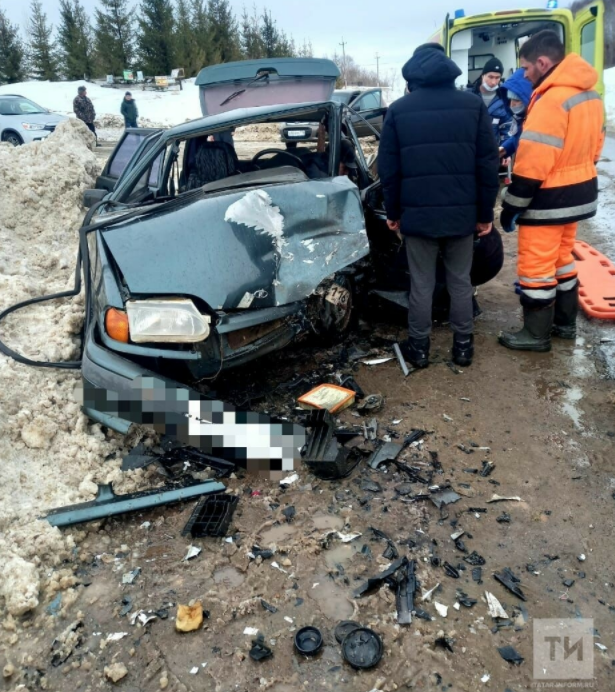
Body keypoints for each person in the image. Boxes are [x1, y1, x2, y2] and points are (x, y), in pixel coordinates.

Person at [379, 43, 500, 368]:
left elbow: (388, 168)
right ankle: (463, 350)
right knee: (460, 281)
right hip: (462, 217)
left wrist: (393, 213)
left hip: (417, 218)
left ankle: (418, 351)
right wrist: (485, 213)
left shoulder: (399, 110)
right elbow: (488, 164)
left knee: (421, 283)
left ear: (412, 75)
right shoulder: (473, 106)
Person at [499, 30, 604, 351]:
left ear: (543, 63)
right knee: (562, 260)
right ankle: (564, 325)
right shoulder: (590, 95)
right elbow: (596, 147)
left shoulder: (550, 100)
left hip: (548, 200)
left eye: (527, 68)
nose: (525, 75)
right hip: (579, 194)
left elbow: (532, 164)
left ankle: (535, 335)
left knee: (536, 268)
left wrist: (512, 205)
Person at [472, 57, 512, 147]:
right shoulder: (469, 96)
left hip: (492, 152)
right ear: (483, 75)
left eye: (497, 78)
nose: (493, 82)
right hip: (471, 150)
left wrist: (505, 151)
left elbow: (507, 128)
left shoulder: (504, 99)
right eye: (490, 77)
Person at [499, 68, 533, 165]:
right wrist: (505, 149)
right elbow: (521, 135)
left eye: (517, 100)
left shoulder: (536, 118)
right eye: (510, 99)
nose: (512, 104)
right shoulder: (522, 118)